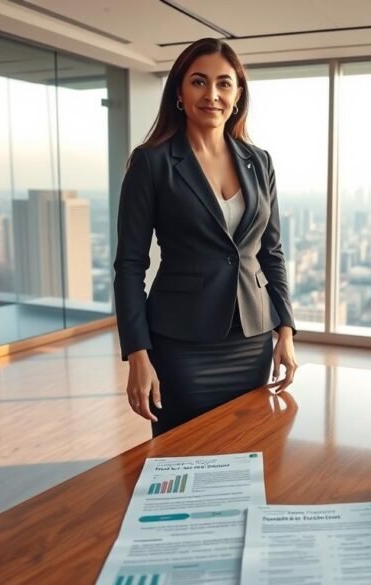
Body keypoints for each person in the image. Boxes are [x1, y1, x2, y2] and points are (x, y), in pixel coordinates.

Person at [113, 38, 298, 437]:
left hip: (252, 340)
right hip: (181, 345)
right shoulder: (151, 162)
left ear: (238, 94)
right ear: (179, 91)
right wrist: (137, 354)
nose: (211, 95)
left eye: (223, 84)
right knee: (180, 464)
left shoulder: (259, 161)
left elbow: (272, 253)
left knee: (249, 454)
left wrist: (285, 329)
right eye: (199, 82)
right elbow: (130, 265)